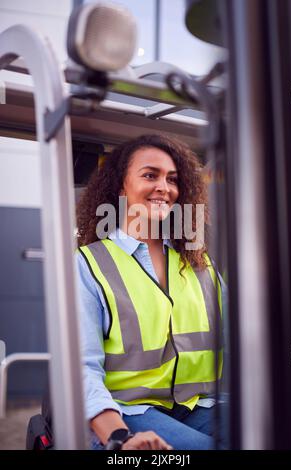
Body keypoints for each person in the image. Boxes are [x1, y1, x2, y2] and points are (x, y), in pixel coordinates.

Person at [76, 134, 228, 450]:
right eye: (150, 175)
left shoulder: (199, 262)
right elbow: (81, 370)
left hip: (199, 405)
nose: (164, 187)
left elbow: (249, 339)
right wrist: (119, 437)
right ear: (120, 187)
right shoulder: (88, 264)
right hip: (126, 413)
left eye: (173, 180)